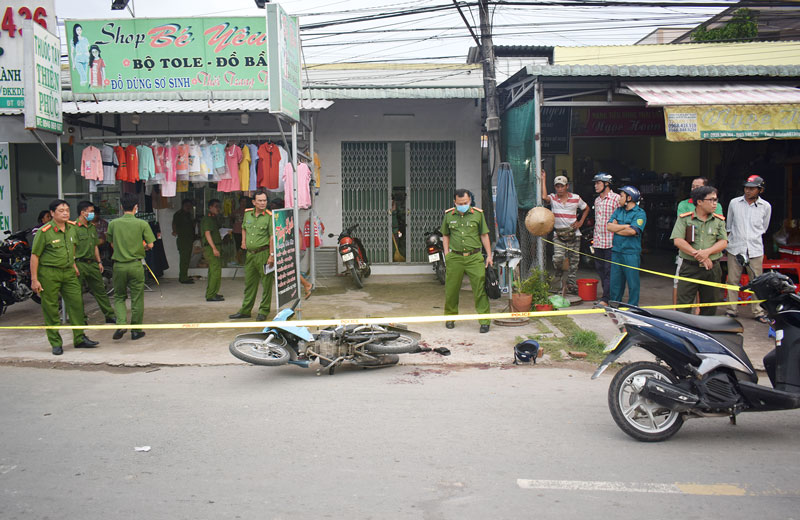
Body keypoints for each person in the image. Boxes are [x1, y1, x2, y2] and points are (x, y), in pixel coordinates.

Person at [30, 199, 98, 356]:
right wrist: (35, 279)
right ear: (52, 213)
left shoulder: (72, 228)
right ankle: (55, 342)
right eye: (61, 210)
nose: (65, 213)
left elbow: (72, 246)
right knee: (51, 308)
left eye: (67, 210)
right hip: (49, 273)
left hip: (68, 272)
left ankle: (79, 338)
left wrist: (73, 263)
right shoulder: (44, 231)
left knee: (77, 304)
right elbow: (35, 256)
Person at [441, 188, 493, 333]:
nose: (463, 205)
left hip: (474, 257)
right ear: (454, 202)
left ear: (469, 200)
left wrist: (489, 255)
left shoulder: (478, 214)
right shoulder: (449, 215)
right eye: (460, 203)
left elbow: (484, 235)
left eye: (465, 202)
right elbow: (445, 235)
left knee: (480, 289)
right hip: (455, 257)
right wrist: (447, 254)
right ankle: (450, 317)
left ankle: (484, 321)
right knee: (451, 289)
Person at [670, 185, 728, 316]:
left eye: (716, 200)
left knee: (709, 307)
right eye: (711, 200)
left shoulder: (718, 221)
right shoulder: (685, 218)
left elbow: (723, 242)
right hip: (689, 267)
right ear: (700, 202)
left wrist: (706, 253)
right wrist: (699, 256)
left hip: (712, 268)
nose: (715, 204)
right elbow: (678, 240)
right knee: (683, 306)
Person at [107, 193, 156, 340]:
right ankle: (136, 330)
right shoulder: (142, 224)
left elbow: (111, 243)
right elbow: (151, 244)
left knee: (119, 296)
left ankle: (121, 323)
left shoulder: (113, 224)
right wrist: (141, 247)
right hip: (135, 265)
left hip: (119, 266)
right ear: (136, 207)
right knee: (137, 298)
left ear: (121, 207)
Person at [725, 175, 772, 323]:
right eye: (746, 188)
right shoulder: (734, 203)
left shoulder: (766, 207)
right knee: (732, 280)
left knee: (757, 281)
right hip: (735, 247)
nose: (748, 191)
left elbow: (764, 228)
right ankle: (731, 310)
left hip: (755, 249)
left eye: (752, 188)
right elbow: (729, 225)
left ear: (760, 190)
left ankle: (757, 311)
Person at [229, 189, 275, 321]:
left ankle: (263, 311)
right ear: (254, 202)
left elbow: (272, 237)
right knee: (249, 283)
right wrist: (243, 241)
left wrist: (271, 255)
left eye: (265, 200)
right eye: (260, 201)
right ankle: (245, 310)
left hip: (264, 253)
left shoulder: (269, 216)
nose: (262, 203)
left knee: (266, 284)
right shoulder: (248, 214)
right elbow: (244, 228)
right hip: (250, 254)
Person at [540, 171, 589, 294]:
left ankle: (571, 284)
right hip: (558, 235)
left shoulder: (576, 198)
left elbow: (586, 208)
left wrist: (581, 222)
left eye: (562, 186)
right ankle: (559, 278)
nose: (560, 188)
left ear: (567, 186)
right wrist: (543, 179)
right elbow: (544, 197)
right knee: (557, 258)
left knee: (574, 261)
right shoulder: (553, 198)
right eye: (557, 186)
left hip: (574, 234)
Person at [72, 201, 115, 324]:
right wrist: (73, 264)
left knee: (100, 290)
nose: (92, 214)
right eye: (90, 212)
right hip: (79, 263)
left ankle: (109, 315)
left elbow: (95, 245)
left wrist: (99, 261)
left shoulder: (91, 227)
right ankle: (81, 319)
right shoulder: (73, 227)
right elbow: (72, 247)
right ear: (82, 212)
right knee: (78, 293)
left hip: (93, 263)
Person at [607, 186, 647, 306]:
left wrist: (617, 227)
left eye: (622, 196)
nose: (619, 198)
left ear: (629, 198)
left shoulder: (640, 213)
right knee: (615, 282)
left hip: (631, 253)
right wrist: (626, 226)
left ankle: (633, 307)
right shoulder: (618, 211)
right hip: (617, 252)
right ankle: (614, 305)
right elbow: (609, 226)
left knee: (633, 282)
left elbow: (633, 231)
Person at [591, 172, 620, 304]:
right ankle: (606, 295)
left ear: (606, 184)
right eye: (595, 183)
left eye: (598, 183)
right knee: (600, 270)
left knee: (610, 271)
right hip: (598, 241)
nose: (595, 186)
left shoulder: (616, 199)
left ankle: (607, 298)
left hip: (611, 242)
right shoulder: (597, 200)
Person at [201, 199, 224, 302]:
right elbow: (207, 233)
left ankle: (213, 292)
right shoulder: (208, 219)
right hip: (211, 247)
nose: (217, 208)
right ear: (210, 207)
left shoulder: (213, 218)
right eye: (215, 206)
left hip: (215, 246)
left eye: (219, 206)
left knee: (214, 270)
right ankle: (211, 295)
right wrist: (214, 248)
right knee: (215, 271)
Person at [172, 199, 195, 284]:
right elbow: (174, 224)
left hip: (189, 239)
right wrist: (174, 231)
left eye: (190, 205)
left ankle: (184, 275)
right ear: (183, 205)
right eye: (187, 205)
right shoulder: (178, 214)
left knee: (187, 259)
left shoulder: (189, 214)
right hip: (183, 239)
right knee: (184, 259)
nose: (189, 207)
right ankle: (183, 277)